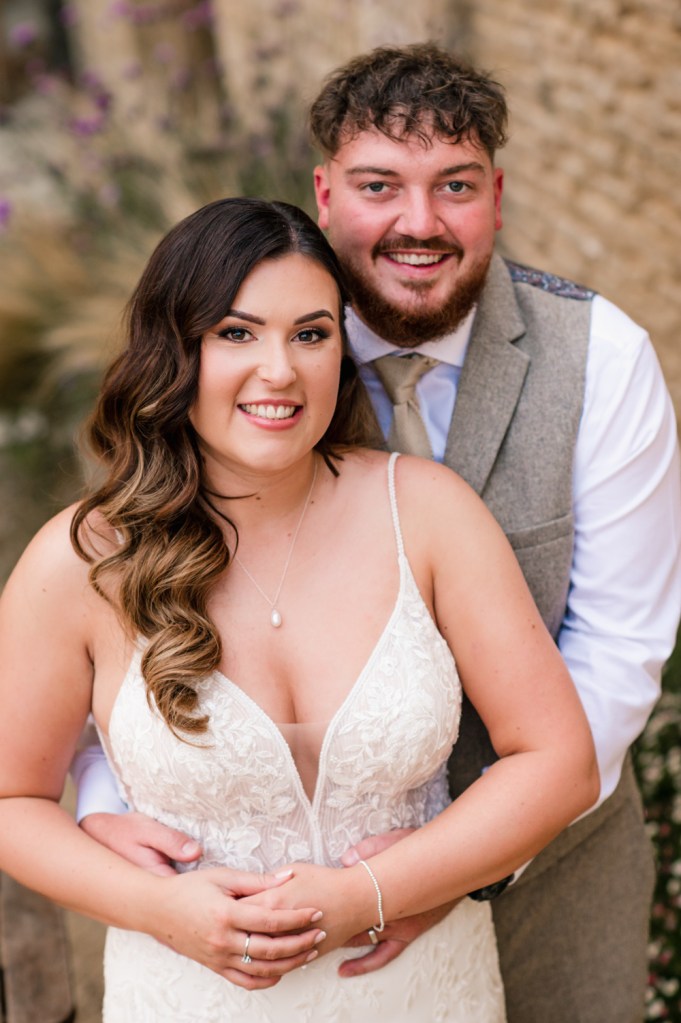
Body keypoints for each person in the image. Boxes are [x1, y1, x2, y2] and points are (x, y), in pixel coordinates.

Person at [75, 44, 681, 1022]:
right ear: (324, 194)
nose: (419, 222)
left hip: (555, 865)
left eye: (456, 186)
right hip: (245, 915)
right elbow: (126, 608)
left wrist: (448, 864)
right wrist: (109, 802)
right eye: (378, 185)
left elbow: (618, 649)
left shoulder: (602, 360)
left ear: (497, 196)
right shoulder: (247, 362)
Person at [0, 197, 598, 1021]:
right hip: (191, 996)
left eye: (310, 334)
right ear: (175, 351)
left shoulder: (426, 512)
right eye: (236, 333)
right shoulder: (82, 561)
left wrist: (371, 891)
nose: (280, 370)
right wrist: (160, 909)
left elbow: (559, 761)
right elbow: (12, 801)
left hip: (426, 991)